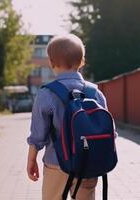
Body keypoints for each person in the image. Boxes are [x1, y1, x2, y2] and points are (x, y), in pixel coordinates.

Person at [26, 34, 109, 200]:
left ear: (51, 62)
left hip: (56, 164)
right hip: (88, 165)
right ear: (82, 61)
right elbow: (109, 132)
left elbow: (38, 134)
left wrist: (31, 160)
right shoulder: (95, 93)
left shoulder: (46, 94)